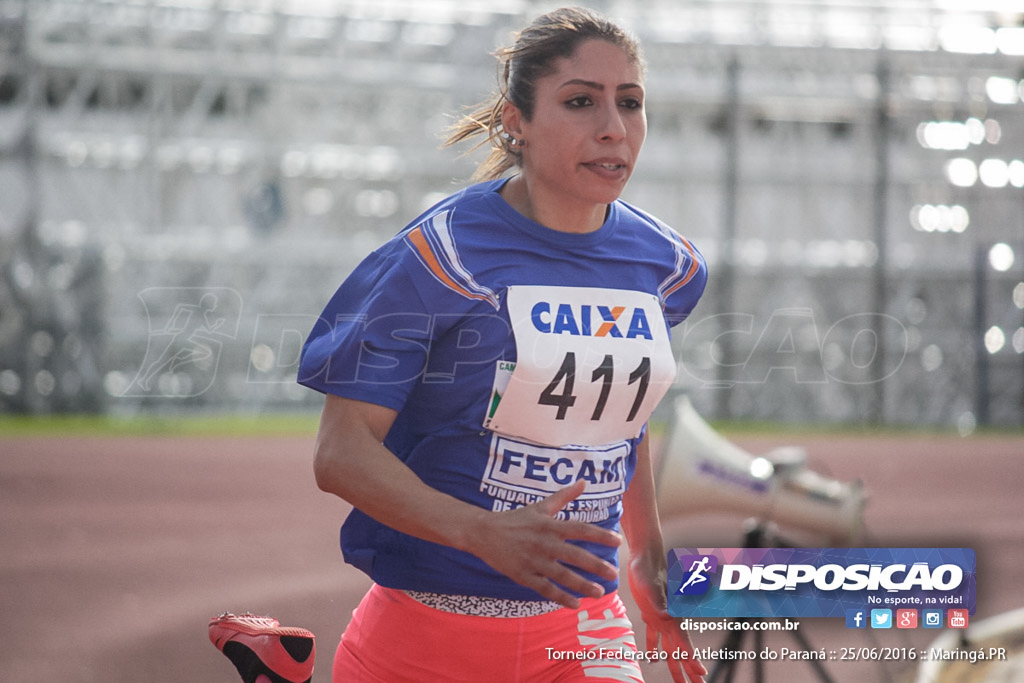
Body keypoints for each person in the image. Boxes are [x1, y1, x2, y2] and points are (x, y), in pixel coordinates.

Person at [297, 7, 709, 682]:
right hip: (421, 641)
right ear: (515, 123)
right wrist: (480, 531)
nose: (614, 127)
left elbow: (612, 421)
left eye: (630, 103)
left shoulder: (667, 265)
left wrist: (647, 556)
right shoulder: (441, 255)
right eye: (580, 101)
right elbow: (339, 452)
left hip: (584, 627)